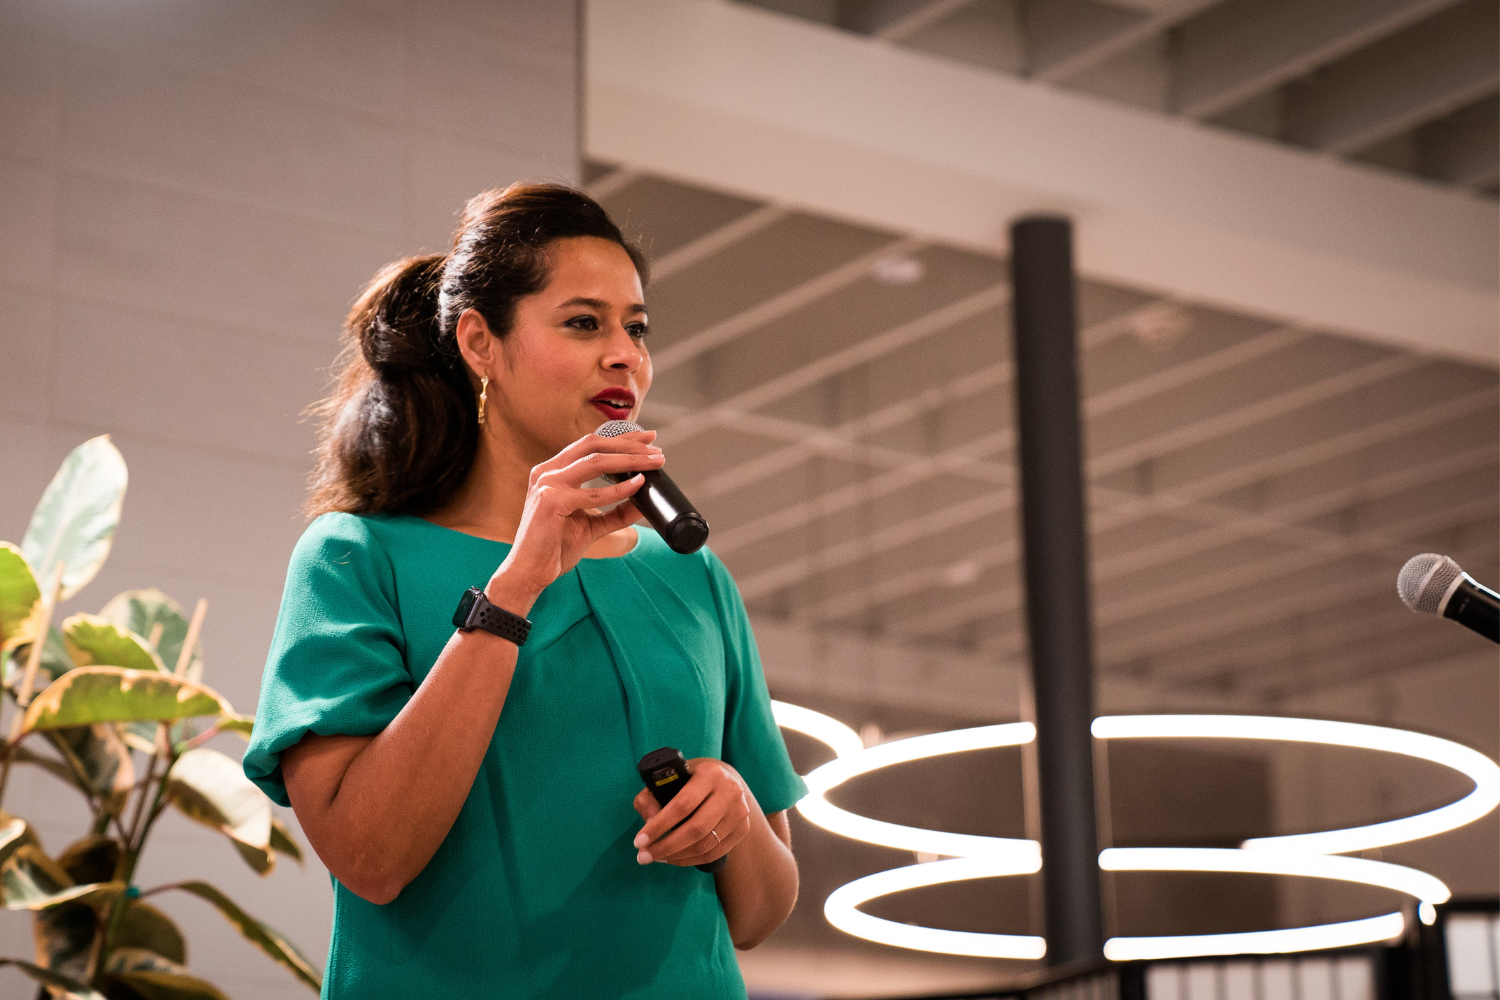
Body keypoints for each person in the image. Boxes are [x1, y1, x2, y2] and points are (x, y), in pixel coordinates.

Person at [243, 183, 805, 999]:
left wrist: (736, 814)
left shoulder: (692, 573)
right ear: (480, 342)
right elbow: (369, 860)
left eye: (636, 328)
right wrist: (517, 582)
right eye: (584, 323)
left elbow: (761, 912)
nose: (625, 355)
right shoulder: (356, 556)